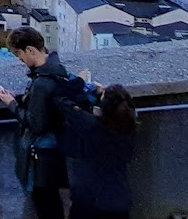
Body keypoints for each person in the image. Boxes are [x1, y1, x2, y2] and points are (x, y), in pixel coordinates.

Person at [0, 27, 70, 219]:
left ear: (30, 50)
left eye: (19, 54)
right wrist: (20, 99)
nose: (20, 60)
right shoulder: (56, 71)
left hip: (42, 157)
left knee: (47, 206)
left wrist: (10, 104)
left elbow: (36, 124)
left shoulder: (42, 83)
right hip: (53, 153)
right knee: (51, 204)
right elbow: (43, 108)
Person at [58, 84, 136, 219]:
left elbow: (61, 100)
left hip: (90, 201)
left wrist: (78, 83)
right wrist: (105, 94)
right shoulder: (129, 128)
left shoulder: (92, 127)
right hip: (119, 200)